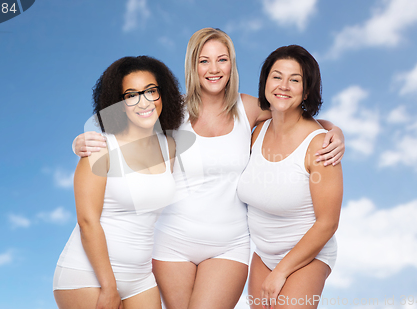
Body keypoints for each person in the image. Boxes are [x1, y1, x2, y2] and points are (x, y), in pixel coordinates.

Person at [73, 28, 345, 309]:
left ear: (232, 64)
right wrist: (80, 142)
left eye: (222, 60)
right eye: (204, 61)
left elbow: (292, 116)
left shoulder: (248, 108)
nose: (213, 69)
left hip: (229, 244)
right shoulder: (172, 109)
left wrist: (334, 130)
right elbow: (125, 132)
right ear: (193, 65)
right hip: (171, 242)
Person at [53, 55, 184, 309]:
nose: (143, 102)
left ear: (162, 94)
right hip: (87, 276)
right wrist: (109, 287)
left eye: (151, 91)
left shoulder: (169, 146)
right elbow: (87, 221)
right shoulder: (101, 148)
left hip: (141, 278)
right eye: (131, 95)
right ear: (119, 104)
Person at [237, 45, 343, 309]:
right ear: (265, 82)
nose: (284, 86)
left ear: (306, 90)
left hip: (308, 256)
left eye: (294, 80)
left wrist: (282, 271)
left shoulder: (319, 146)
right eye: (277, 76)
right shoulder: (254, 131)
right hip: (263, 254)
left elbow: (328, 223)